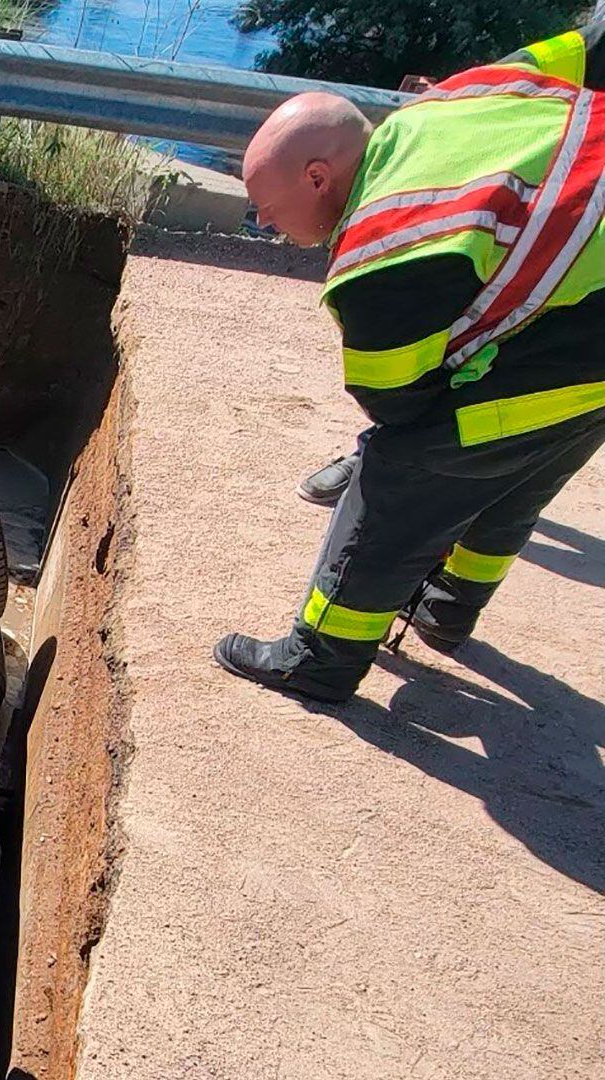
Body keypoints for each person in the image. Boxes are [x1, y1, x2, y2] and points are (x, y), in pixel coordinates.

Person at [216, 26, 605, 703]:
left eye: (269, 214)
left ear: (319, 178)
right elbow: (580, 48)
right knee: (528, 456)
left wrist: (383, 459)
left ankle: (319, 658)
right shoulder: (446, 106)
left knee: (409, 468)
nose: (267, 227)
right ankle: (447, 610)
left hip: (585, 327)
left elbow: (398, 405)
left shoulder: (383, 249)